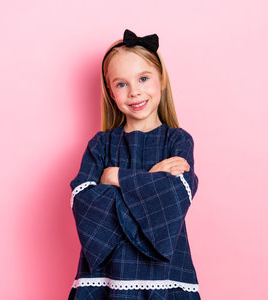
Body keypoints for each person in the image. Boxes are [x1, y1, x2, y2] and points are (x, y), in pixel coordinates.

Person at [67, 29, 201, 300]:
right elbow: (84, 202)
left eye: (143, 78)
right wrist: (150, 182)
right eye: (121, 84)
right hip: (107, 275)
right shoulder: (100, 144)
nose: (134, 92)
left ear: (161, 80)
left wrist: (114, 176)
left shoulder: (178, 141)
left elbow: (174, 198)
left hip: (165, 274)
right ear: (110, 91)